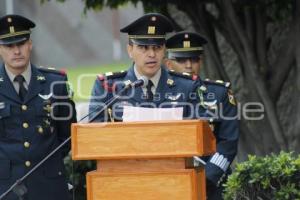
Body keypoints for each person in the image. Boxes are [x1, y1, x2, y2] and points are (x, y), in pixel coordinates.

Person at [0, 14, 76, 200]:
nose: (16, 51)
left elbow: (68, 135)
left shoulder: (55, 83)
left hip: (49, 186)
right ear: (0, 49)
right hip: (6, 187)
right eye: (9, 46)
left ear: (30, 44)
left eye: (21, 44)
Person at [165, 31, 239, 200]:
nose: (189, 65)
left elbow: (228, 142)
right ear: (169, 64)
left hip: (212, 181)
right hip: (170, 179)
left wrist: (207, 177)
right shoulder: (158, 95)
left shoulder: (219, 92)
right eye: (182, 60)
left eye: (194, 59)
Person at [89, 13, 199, 123]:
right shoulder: (108, 87)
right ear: (130, 50)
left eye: (157, 47)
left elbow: (198, 134)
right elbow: (95, 134)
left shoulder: (187, 86)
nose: (151, 54)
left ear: (164, 50)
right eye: (143, 48)